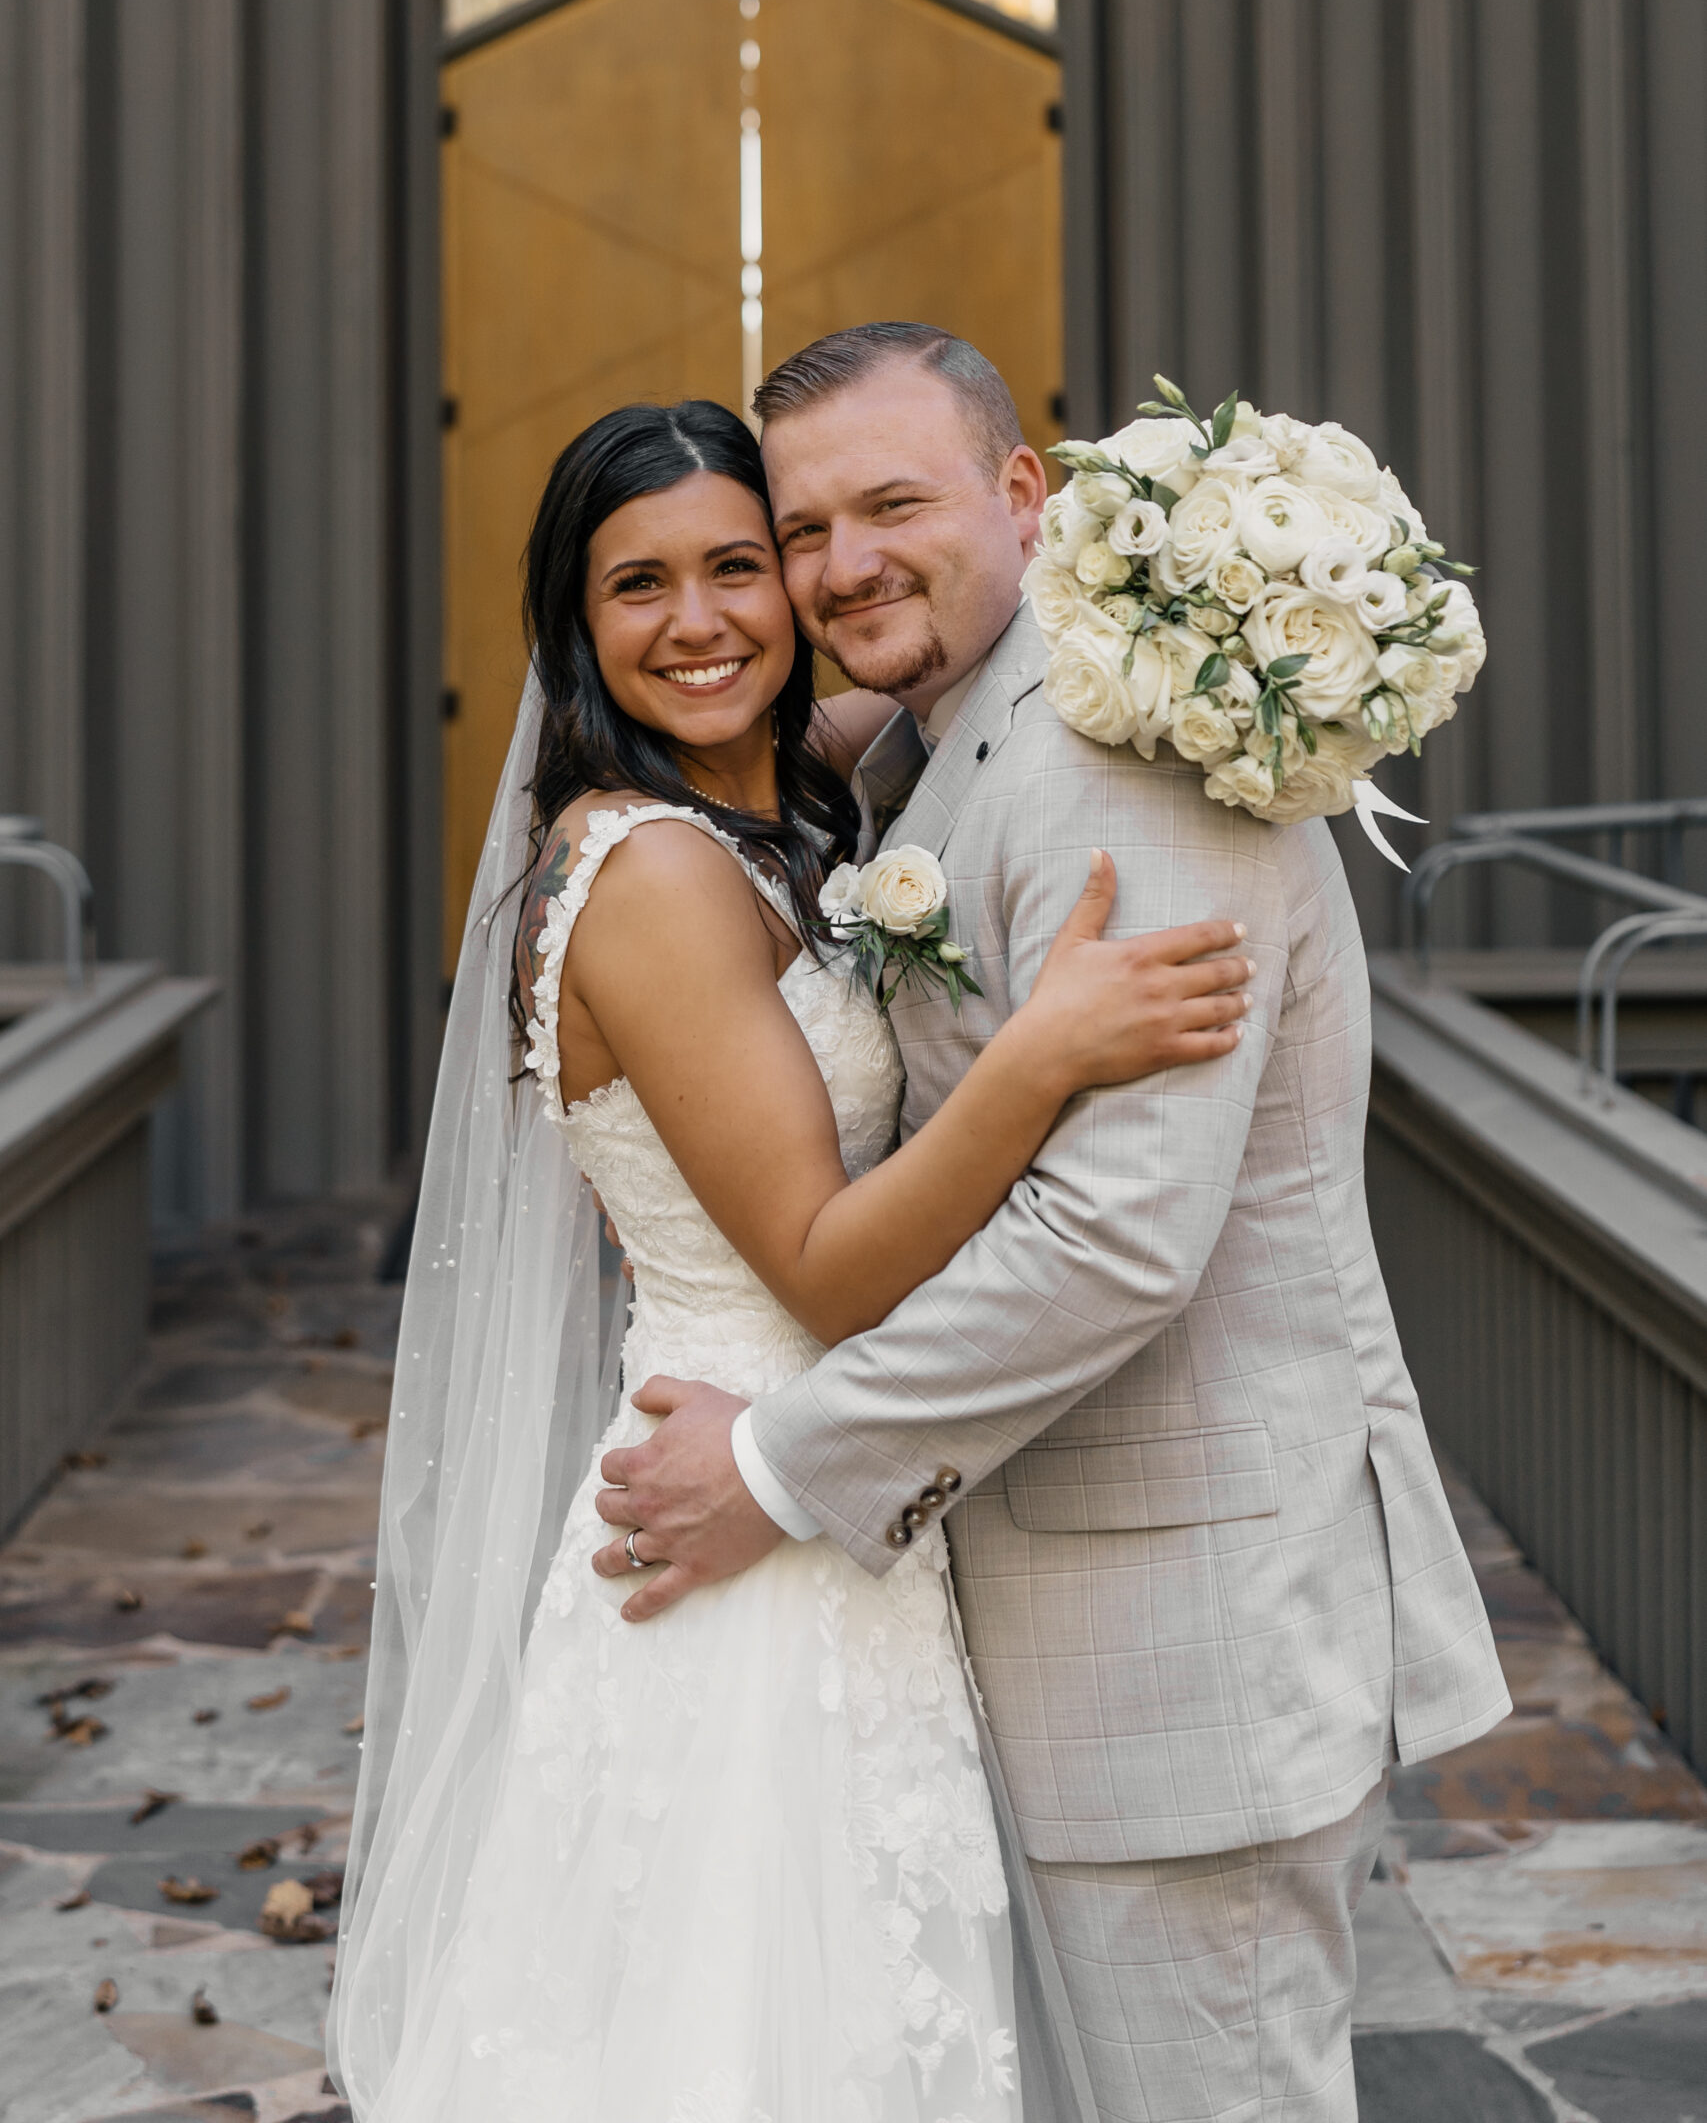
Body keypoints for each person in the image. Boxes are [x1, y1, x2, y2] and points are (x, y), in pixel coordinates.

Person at [593, 327, 1512, 2123]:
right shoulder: (954, 738)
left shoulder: (1123, 757)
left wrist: (780, 1461)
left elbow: (1116, 1240)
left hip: (1185, 1643)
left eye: (894, 504)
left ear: (1027, 494)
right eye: (805, 530)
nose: (843, 563)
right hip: (1061, 1620)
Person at [329, 395, 1254, 2122]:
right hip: (744, 1509)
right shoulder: (656, 875)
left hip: (835, 1501)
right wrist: (1047, 1049)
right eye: (638, 586)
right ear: (573, 628)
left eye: (741, 566)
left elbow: (943, 652)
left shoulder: (797, 803)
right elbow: (826, 1266)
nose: (699, 622)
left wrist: (1186, 586)